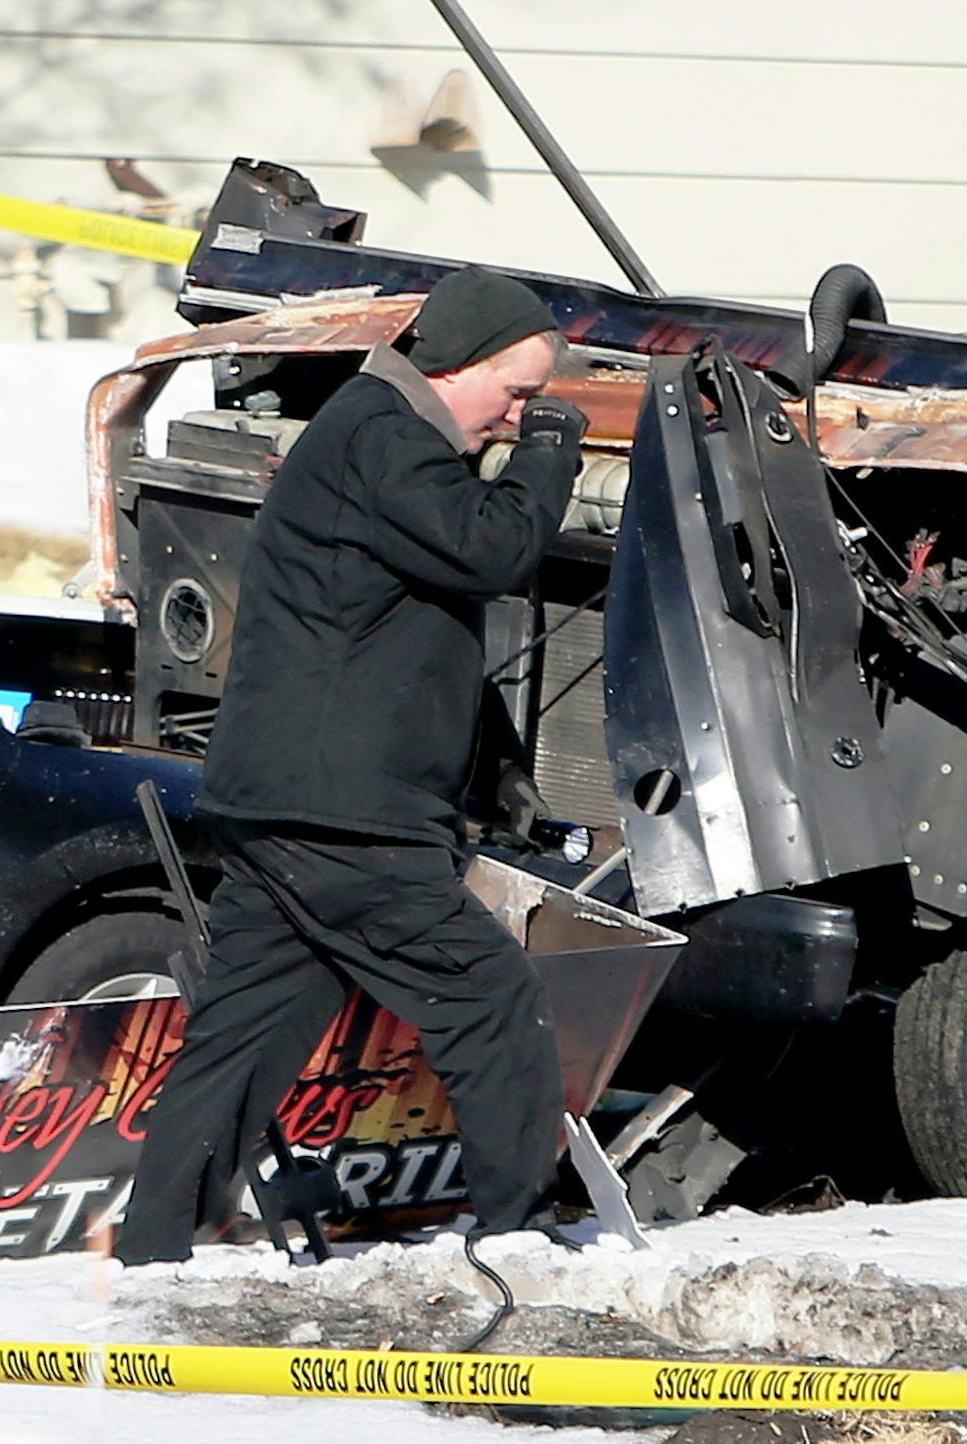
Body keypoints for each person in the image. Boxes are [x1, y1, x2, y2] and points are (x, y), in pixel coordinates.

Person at [116, 268, 588, 1265]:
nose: (516, 418)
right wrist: (554, 452)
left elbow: (403, 634)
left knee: (248, 1030)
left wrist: (489, 764)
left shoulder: (388, 444)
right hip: (344, 815)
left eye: (532, 406)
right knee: (488, 995)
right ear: (453, 367)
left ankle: (153, 1248)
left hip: (292, 802)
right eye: (514, 393)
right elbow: (494, 550)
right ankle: (518, 1234)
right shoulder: (384, 435)